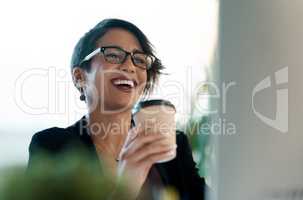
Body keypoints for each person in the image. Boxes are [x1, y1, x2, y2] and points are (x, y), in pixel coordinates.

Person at [28, 18, 206, 200]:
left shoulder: (172, 145)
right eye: (113, 55)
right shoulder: (52, 147)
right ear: (79, 76)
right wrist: (128, 184)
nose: (130, 66)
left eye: (139, 59)